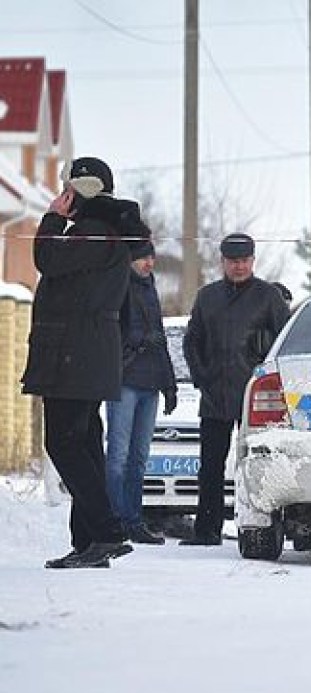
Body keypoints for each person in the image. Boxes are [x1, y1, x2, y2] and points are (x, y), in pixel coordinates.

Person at [23, 156, 146, 568]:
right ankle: (89, 541)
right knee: (86, 444)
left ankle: (107, 532)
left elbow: (48, 260)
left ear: (82, 191)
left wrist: (51, 218)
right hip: (87, 353)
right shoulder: (105, 233)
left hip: (76, 355)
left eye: (68, 191)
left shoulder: (94, 232)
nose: (62, 197)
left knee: (63, 442)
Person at [181, 233, 291, 545]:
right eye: (233, 261)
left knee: (262, 462)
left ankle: (267, 527)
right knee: (211, 466)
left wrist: (267, 380)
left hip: (257, 398)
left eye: (244, 260)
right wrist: (201, 377)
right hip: (215, 394)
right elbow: (192, 342)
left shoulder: (268, 296)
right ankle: (207, 531)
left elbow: (284, 344)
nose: (239, 266)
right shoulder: (207, 297)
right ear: (223, 262)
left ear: (253, 261)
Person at [105, 236, 178, 545]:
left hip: (150, 384)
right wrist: (137, 341)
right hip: (124, 382)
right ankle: (115, 520)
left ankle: (134, 520)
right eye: (143, 258)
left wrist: (170, 384)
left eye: (152, 257)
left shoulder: (150, 288)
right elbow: (110, 333)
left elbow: (159, 338)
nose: (149, 263)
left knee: (139, 457)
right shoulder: (119, 286)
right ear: (130, 259)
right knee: (118, 455)